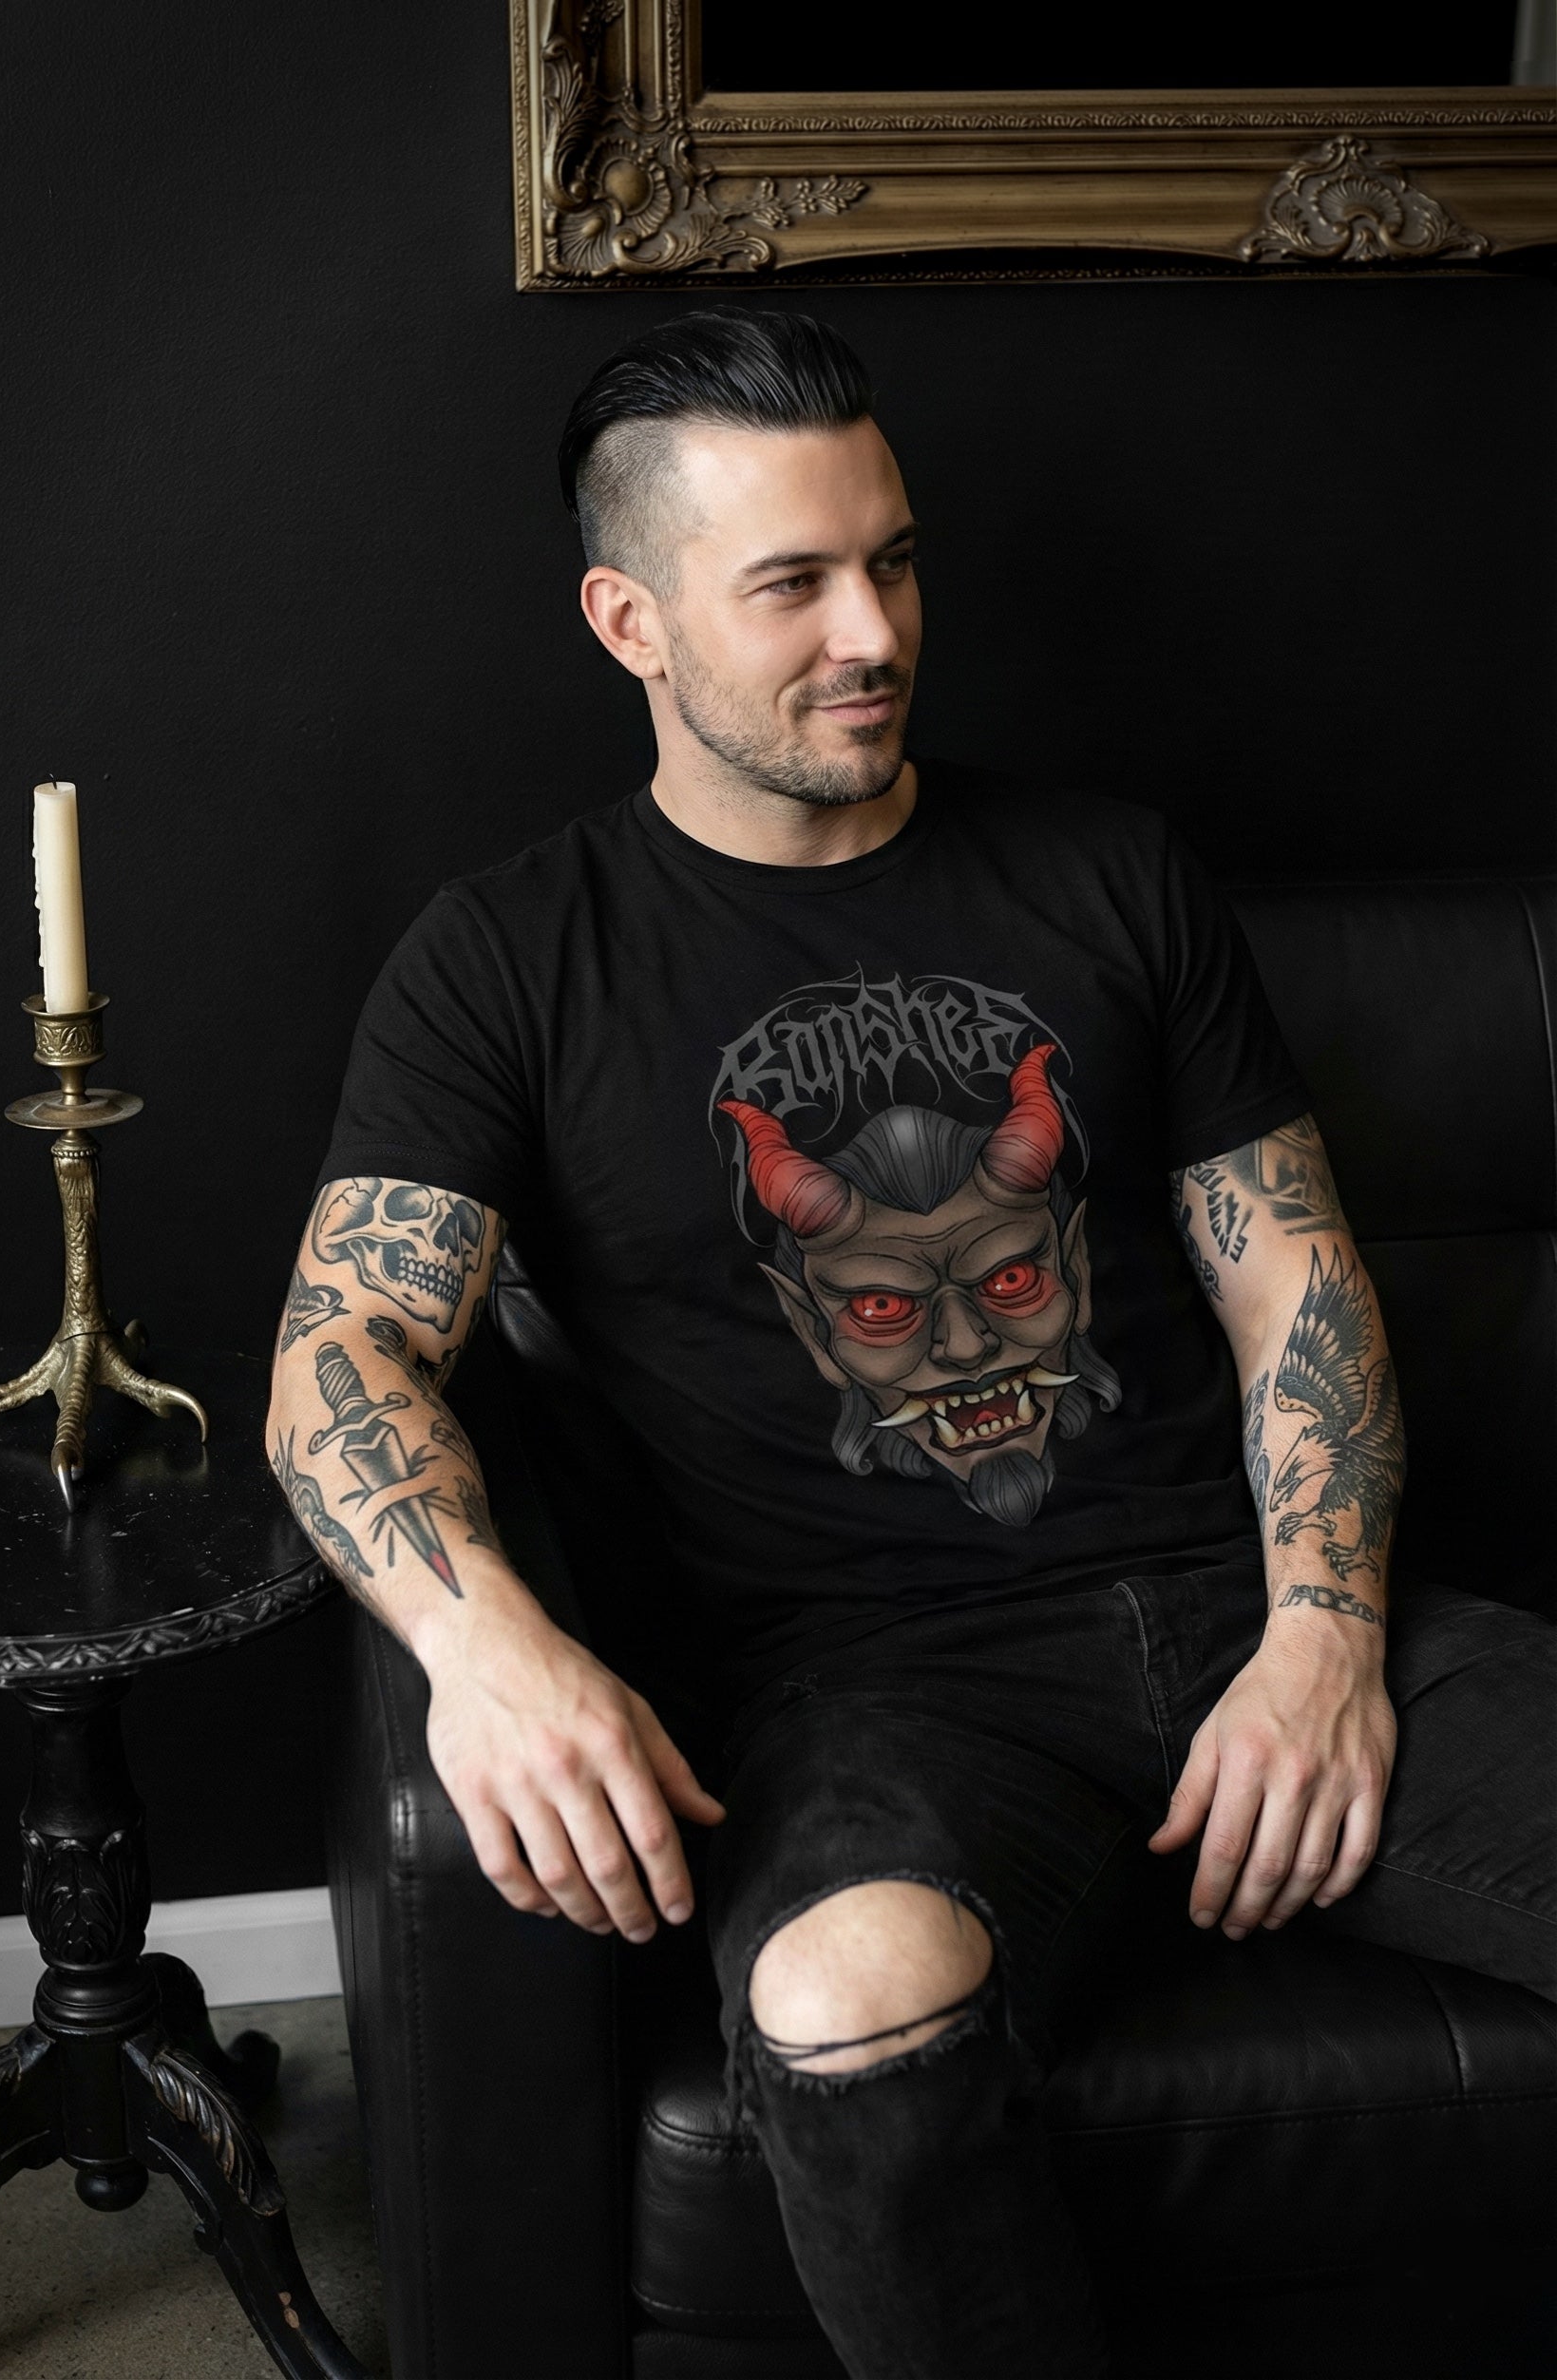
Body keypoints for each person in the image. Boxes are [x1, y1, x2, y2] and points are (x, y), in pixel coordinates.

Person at [266, 309, 1555, 2380]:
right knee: (842, 2001)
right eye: (789, 582)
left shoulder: (1109, 871)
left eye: (892, 561)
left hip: (1243, 1601)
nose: (871, 633)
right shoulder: (508, 958)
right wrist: (484, 1648)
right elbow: (343, 1350)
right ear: (629, 620)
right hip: (871, 1693)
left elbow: (1292, 1280)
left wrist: (1323, 1636)